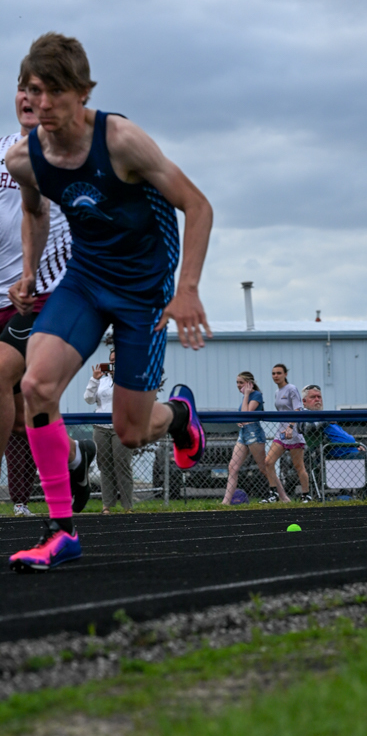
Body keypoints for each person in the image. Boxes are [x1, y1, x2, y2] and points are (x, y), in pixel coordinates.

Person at [6, 32, 213, 571]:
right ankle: (61, 530)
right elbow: (33, 212)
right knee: (35, 384)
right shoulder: (25, 159)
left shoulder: (120, 140)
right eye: (33, 91)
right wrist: (29, 272)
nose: (42, 104)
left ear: (84, 92)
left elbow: (197, 204)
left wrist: (186, 288)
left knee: (130, 430)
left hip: (143, 290)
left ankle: (177, 417)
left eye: (54, 92)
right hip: (85, 278)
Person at [0, 84, 95, 519]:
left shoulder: (73, 157)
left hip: (46, 291)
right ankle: (77, 456)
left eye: (43, 92)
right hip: (5, 290)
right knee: (22, 418)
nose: (31, 101)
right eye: (25, 90)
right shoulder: (6, 153)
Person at [300, 384, 367, 498]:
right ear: (304, 401)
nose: (317, 400)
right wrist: (325, 419)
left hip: (352, 452)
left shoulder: (326, 417)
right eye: (313, 397)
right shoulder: (305, 416)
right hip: (338, 457)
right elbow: (306, 428)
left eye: (319, 397)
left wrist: (355, 445)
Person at [84, 347, 135, 513]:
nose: (113, 364)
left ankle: (127, 506)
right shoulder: (102, 381)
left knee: (122, 465)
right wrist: (94, 380)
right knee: (104, 465)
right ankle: (107, 505)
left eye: (116, 361)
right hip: (101, 427)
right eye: (111, 361)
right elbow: (89, 399)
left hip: (122, 428)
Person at [221, 371, 273, 506]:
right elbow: (243, 416)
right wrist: (240, 421)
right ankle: (225, 502)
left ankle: (281, 494)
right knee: (232, 467)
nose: (238, 385)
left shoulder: (256, 395)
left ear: (250, 384)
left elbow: (246, 414)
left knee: (263, 467)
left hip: (253, 434)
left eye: (241, 382)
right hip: (243, 434)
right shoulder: (247, 396)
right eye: (237, 382)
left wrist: (246, 395)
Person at [262, 363, 310, 503]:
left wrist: (290, 427)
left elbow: (297, 409)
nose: (276, 376)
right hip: (281, 434)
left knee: (298, 466)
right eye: (273, 373)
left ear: (285, 374)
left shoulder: (291, 389)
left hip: (293, 433)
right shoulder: (277, 392)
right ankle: (274, 494)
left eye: (279, 373)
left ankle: (306, 494)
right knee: (268, 462)